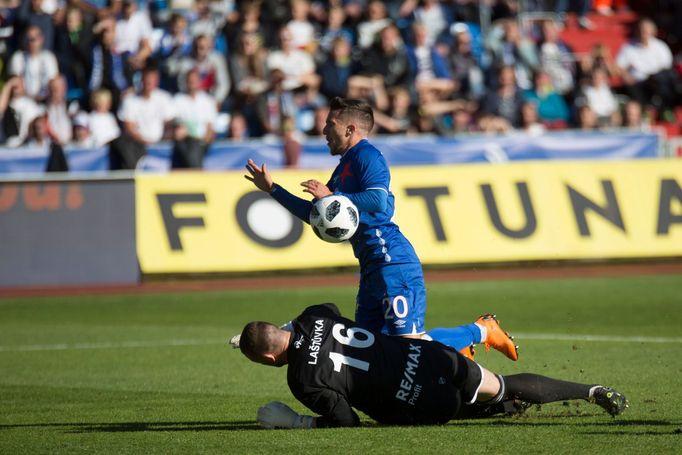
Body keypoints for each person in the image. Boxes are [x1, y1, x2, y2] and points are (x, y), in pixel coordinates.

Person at [244, 97, 516, 360]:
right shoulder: (343, 169)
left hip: (391, 260)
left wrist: (332, 198)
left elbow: (377, 199)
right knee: (373, 351)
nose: (324, 130)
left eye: (330, 124)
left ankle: (480, 331)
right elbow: (316, 215)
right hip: (371, 266)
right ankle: (457, 351)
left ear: (350, 129)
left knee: (409, 348)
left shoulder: (368, 156)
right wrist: (273, 189)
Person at [238, 303, 628, 428]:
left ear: (269, 359)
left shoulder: (301, 380)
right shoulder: (312, 316)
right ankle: (591, 391)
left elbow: (346, 422)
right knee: (503, 384)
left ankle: (499, 406)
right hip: (431, 357)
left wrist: (297, 421)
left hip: (421, 402)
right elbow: (329, 312)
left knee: (456, 405)